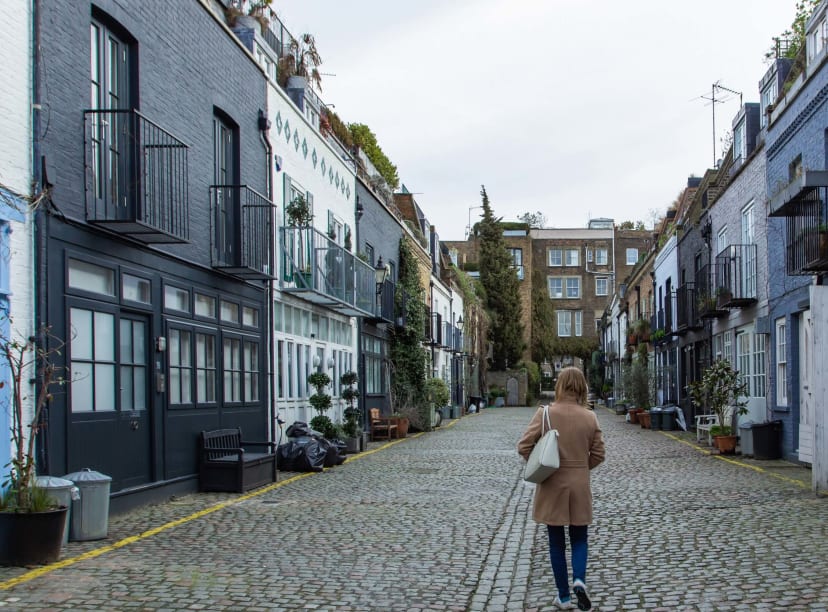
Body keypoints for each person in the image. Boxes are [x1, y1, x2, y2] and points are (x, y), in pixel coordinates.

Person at [517, 367, 606, 611]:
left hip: (552, 484)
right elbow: (599, 454)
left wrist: (542, 465)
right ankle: (579, 579)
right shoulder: (590, 417)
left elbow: (523, 446)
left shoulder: (545, 414)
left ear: (559, 385)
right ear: (582, 387)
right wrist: (580, 468)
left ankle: (564, 597)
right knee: (579, 538)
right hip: (579, 484)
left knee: (556, 542)